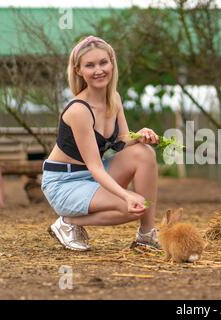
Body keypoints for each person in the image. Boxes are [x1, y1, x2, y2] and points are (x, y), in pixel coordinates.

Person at [41, 35, 160, 252]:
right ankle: (68, 222)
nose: (99, 70)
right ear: (79, 70)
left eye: (103, 62)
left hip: (90, 175)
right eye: (90, 65)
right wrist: (126, 195)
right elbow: (96, 167)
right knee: (136, 205)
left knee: (145, 153)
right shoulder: (79, 110)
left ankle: (146, 235)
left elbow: (121, 142)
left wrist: (140, 136)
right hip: (64, 182)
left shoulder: (113, 98)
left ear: (112, 63)